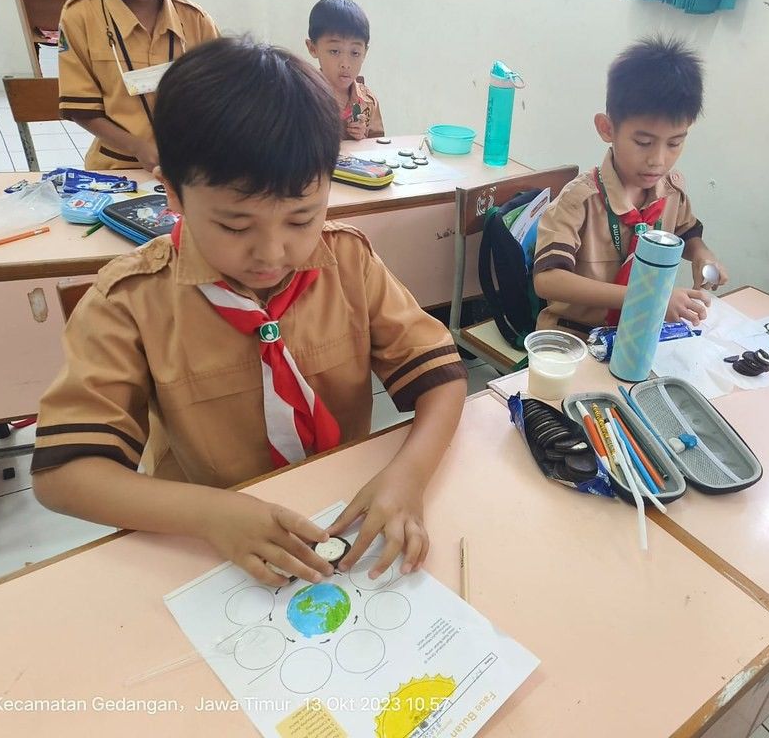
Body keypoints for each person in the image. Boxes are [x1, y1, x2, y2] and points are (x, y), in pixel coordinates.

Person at [33, 38, 468, 587]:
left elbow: (444, 377)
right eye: (236, 226)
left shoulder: (348, 262)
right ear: (172, 192)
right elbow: (63, 476)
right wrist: (212, 516)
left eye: (301, 218)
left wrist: (408, 476)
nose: (272, 252)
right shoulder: (128, 302)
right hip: (209, 544)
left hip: (334, 514)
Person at [533, 36, 728, 335]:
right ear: (607, 129)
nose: (658, 160)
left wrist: (702, 254)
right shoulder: (579, 200)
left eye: (675, 143)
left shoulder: (671, 192)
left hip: (640, 332)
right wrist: (648, 300)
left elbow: (687, 232)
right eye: (643, 142)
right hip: (576, 338)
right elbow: (548, 279)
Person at [57, 0, 218, 170]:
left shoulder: (196, 20)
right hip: (118, 167)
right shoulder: (80, 16)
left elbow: (221, 100)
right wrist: (136, 147)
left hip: (189, 166)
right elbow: (80, 109)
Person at [306, 0, 384, 140]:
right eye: (335, 51)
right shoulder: (303, 97)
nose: (345, 64)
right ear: (313, 48)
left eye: (355, 53)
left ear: (364, 53)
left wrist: (363, 137)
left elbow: (378, 145)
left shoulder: (368, 101)